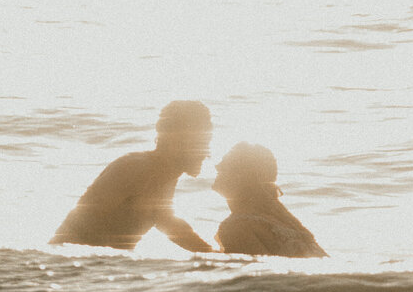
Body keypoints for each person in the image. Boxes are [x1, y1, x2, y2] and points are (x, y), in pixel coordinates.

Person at [51, 101, 214, 252]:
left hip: (97, 268)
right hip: (74, 266)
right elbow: (78, 224)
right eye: (201, 143)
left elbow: (171, 225)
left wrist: (216, 256)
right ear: (175, 140)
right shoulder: (135, 168)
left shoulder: (165, 175)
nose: (206, 153)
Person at [212, 143, 327, 257]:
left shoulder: (236, 227)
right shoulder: (286, 223)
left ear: (243, 177)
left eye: (226, 164)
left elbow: (256, 273)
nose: (217, 165)